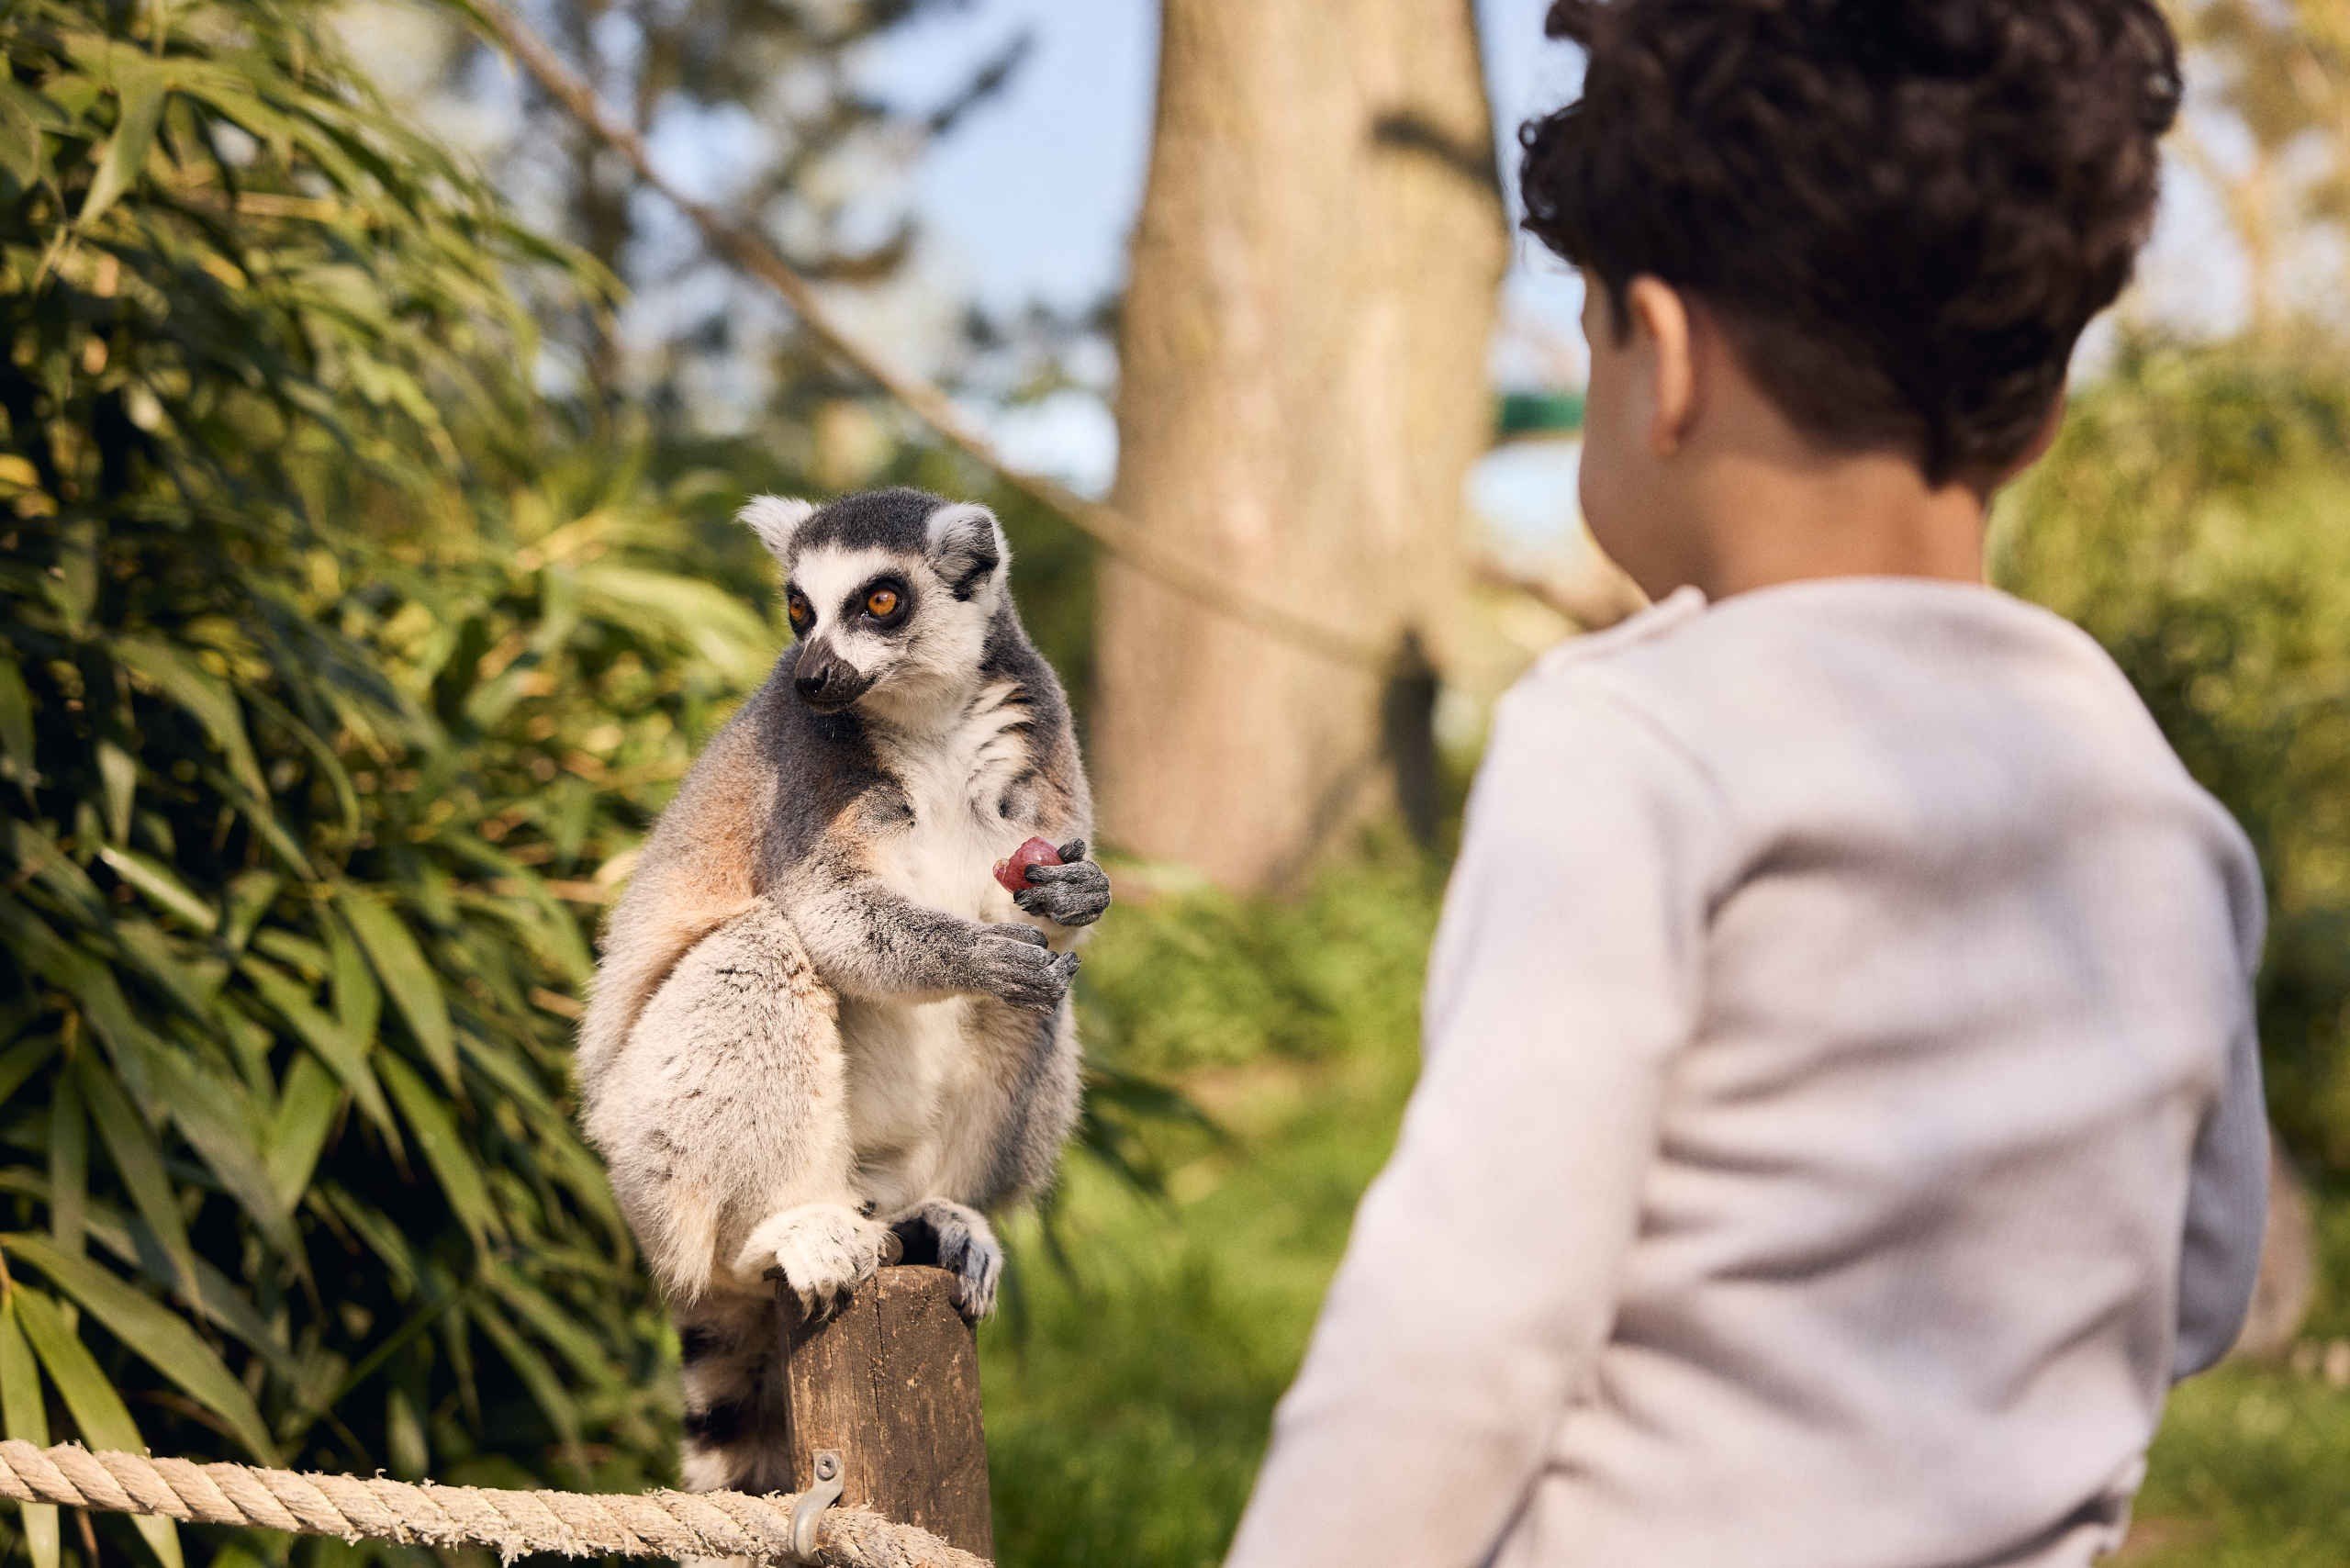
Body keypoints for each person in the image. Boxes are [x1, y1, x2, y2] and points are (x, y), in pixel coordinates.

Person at [1220, 3, 2268, 1565]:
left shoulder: (1630, 744)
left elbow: (1460, 1334)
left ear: (1663, 356)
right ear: (2041, 409)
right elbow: (2202, 1285)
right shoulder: (2152, 794)